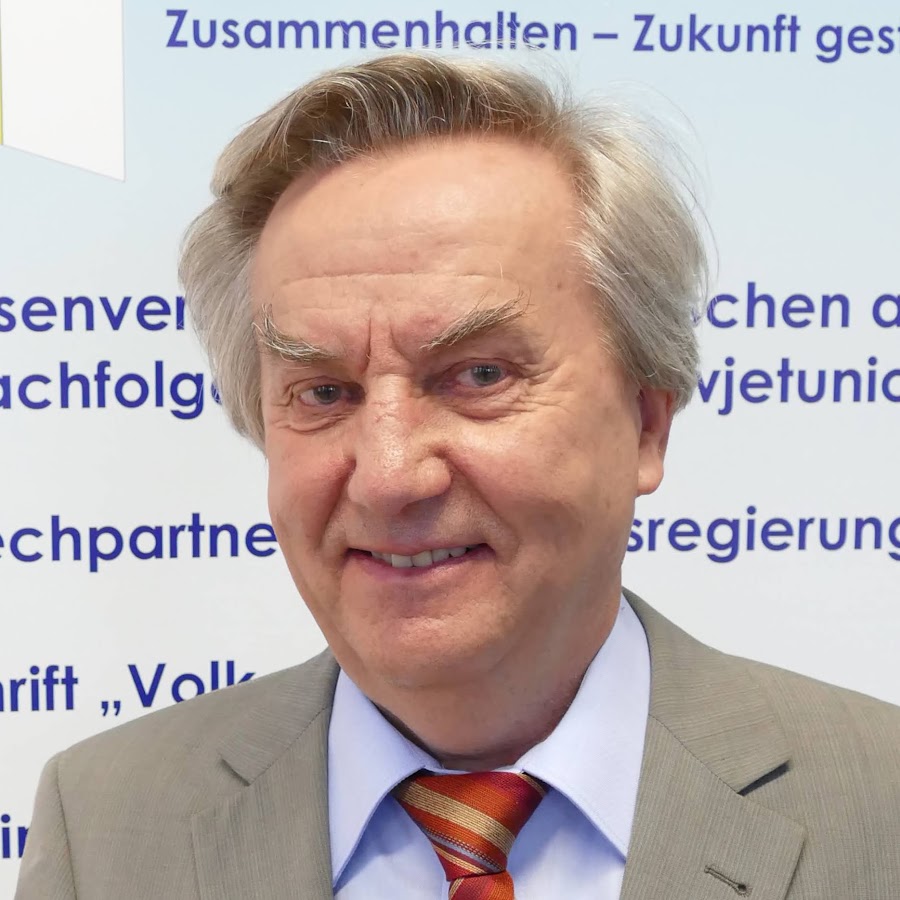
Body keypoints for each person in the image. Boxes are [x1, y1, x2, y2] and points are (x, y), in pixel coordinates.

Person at [17, 53, 900, 900]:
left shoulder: (877, 805)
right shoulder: (104, 827)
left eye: (478, 376)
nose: (390, 475)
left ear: (645, 422)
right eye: (323, 392)